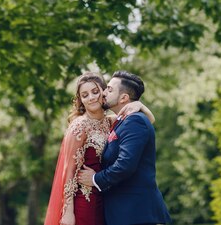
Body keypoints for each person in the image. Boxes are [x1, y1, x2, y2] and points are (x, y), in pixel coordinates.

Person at [44, 72, 155, 225]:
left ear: (103, 92)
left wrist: (139, 105)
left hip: (105, 199)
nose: (91, 97)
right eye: (85, 95)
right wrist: (67, 212)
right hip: (84, 199)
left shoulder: (110, 122)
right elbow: (68, 172)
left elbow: (145, 122)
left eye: (95, 92)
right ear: (81, 101)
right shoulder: (79, 127)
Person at [77, 70, 171, 225]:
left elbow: (125, 165)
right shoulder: (123, 120)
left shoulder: (134, 121)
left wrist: (94, 179)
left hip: (136, 214)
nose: (103, 92)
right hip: (123, 214)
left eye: (109, 89)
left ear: (124, 97)